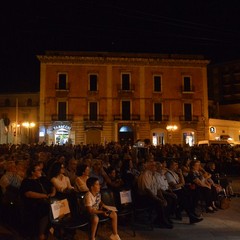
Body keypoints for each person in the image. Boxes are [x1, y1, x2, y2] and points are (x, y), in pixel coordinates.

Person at [20, 162, 56, 240]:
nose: (41, 171)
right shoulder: (26, 182)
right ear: (32, 172)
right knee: (45, 209)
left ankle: (53, 229)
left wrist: (53, 193)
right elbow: (28, 194)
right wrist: (45, 196)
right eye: (38, 170)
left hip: (46, 200)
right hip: (33, 204)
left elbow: (52, 185)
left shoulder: (42, 179)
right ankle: (41, 234)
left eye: (41, 169)